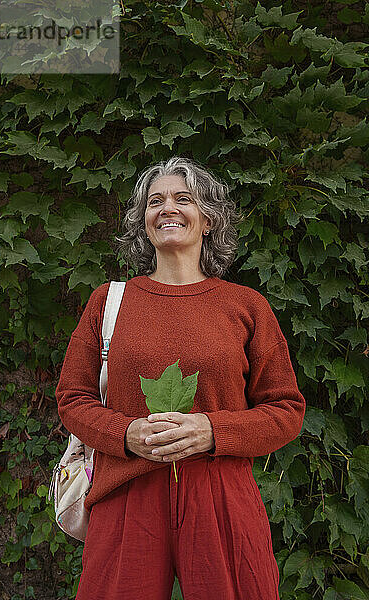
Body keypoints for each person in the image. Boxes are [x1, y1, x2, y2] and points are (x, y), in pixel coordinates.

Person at [55, 156, 306, 600]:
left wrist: (213, 429)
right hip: (126, 490)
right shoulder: (108, 302)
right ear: (143, 222)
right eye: (155, 201)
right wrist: (126, 432)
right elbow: (72, 398)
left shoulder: (245, 306)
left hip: (221, 493)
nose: (167, 207)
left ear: (207, 220)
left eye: (182, 199)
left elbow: (286, 410)